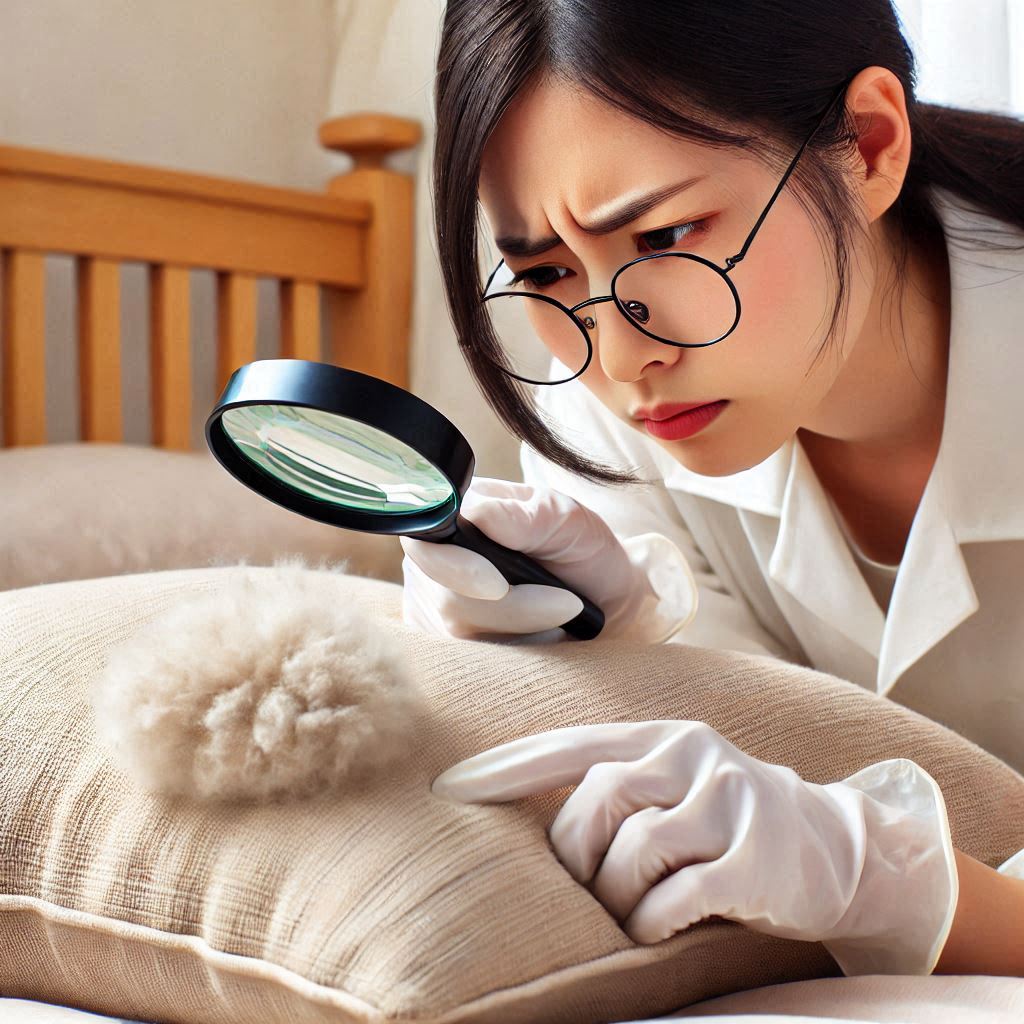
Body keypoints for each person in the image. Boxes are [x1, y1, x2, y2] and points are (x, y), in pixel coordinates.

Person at [402, 0, 1024, 982]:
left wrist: (892, 883)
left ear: (867, 145)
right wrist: (605, 642)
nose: (620, 355)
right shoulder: (595, 419)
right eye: (548, 269)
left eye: (663, 236)